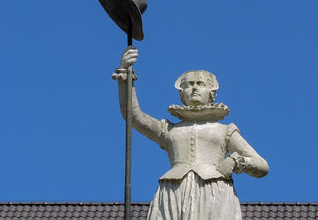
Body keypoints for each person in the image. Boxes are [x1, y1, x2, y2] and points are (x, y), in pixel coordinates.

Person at [112, 47, 269, 220]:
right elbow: (134, 116)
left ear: (212, 93)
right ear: (181, 94)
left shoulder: (224, 130)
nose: (194, 88)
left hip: (214, 192)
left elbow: (261, 165)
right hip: (173, 191)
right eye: (189, 85)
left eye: (200, 84)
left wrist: (235, 161)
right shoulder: (169, 130)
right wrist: (124, 76)